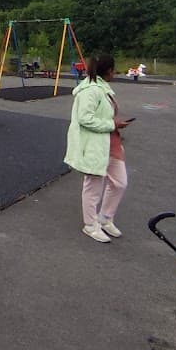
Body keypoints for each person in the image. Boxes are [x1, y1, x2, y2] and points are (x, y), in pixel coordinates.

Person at [64, 55, 131, 244]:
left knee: (120, 183)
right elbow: (85, 118)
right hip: (95, 144)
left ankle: (105, 218)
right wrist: (112, 124)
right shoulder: (91, 90)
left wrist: (113, 125)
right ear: (108, 70)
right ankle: (91, 225)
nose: (115, 73)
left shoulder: (101, 87)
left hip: (110, 142)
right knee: (93, 186)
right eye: (114, 69)